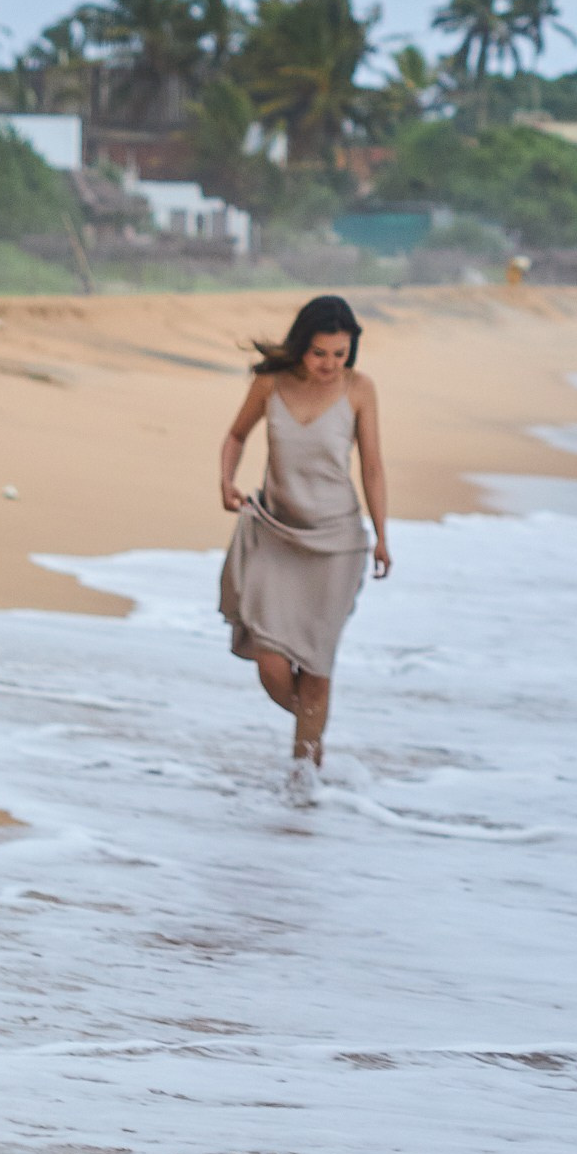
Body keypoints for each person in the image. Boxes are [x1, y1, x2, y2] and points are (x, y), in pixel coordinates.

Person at [218, 294, 390, 790]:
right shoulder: (270, 383)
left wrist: (382, 535)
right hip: (276, 533)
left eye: (340, 354)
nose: (330, 364)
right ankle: (312, 730)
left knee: (315, 667)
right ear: (301, 346)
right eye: (320, 353)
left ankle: (305, 782)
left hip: (337, 544)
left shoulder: (360, 390)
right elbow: (235, 435)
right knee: (271, 662)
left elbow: (373, 466)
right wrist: (226, 481)